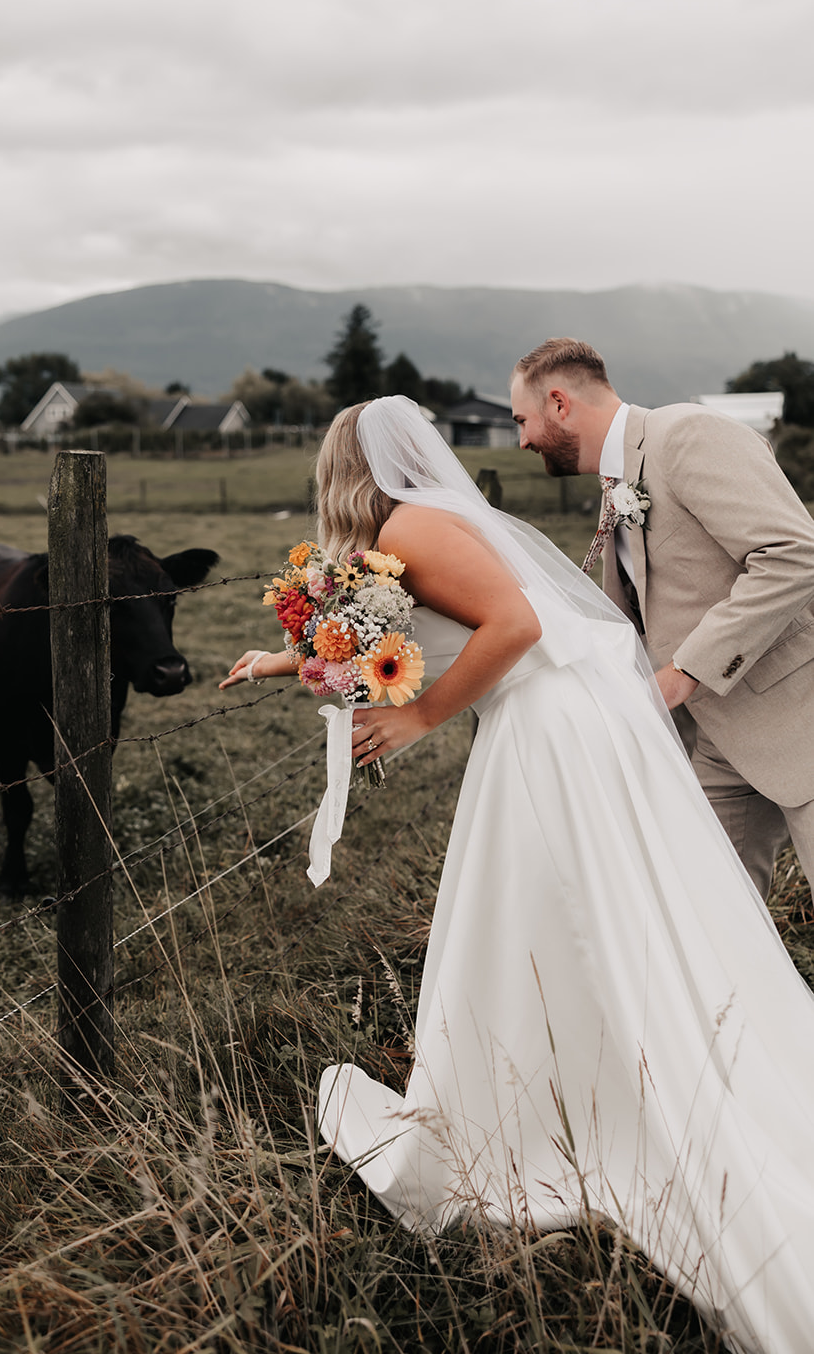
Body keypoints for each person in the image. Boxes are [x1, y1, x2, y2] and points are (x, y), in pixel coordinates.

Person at [222, 395, 814, 1354]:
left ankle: (603, 1095)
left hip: (548, 732)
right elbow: (400, 635)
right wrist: (287, 661)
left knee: (566, 911)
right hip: (545, 727)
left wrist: (417, 721)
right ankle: (573, 1075)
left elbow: (508, 628)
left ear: (340, 466)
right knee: (553, 915)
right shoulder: (397, 535)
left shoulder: (412, 522)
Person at [510, 338, 814, 900]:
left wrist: (682, 673)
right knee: (712, 910)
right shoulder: (617, 482)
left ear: (558, 403)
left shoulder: (688, 435)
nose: (522, 439)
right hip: (718, 739)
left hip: (796, 716)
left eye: (522, 420)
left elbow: (793, 555)